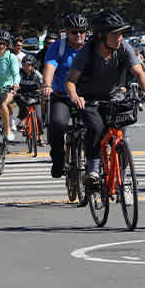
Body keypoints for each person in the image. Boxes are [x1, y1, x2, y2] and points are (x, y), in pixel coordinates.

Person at [65, 10, 145, 185]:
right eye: (115, 34)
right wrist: (75, 97)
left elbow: (139, 73)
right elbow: (71, 81)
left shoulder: (123, 48)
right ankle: (93, 169)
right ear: (101, 36)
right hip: (88, 99)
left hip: (114, 97)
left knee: (120, 136)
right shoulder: (87, 51)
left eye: (121, 33)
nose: (120, 37)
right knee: (96, 128)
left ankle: (123, 181)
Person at [43, 13, 89, 178]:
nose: (79, 35)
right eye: (74, 32)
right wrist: (47, 85)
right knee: (57, 124)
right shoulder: (58, 46)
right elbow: (50, 66)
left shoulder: (91, 46)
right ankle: (58, 158)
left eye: (82, 31)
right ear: (66, 32)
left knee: (95, 126)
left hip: (86, 96)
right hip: (62, 95)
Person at [0, 28, 20, 142]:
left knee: (2, 104)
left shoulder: (11, 57)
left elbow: (16, 74)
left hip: (6, 89)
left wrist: (16, 84)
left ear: (7, 45)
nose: (1, 46)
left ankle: (8, 129)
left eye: (4, 44)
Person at [16, 54, 45, 146]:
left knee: (39, 118)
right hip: (23, 95)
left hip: (35, 96)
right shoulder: (19, 73)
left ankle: (40, 137)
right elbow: (14, 82)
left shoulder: (36, 74)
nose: (25, 67)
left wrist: (43, 92)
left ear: (32, 66)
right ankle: (23, 121)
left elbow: (43, 84)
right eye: (24, 65)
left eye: (28, 65)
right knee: (20, 102)